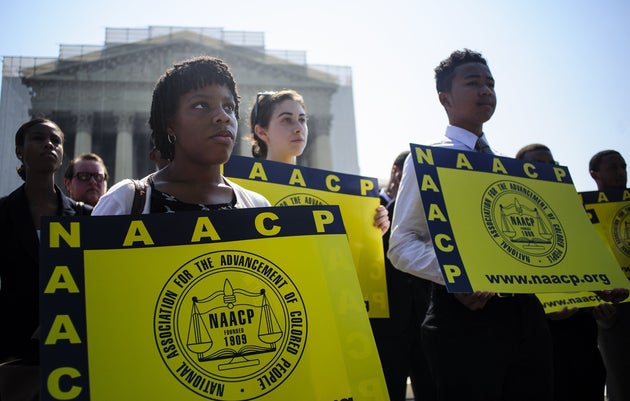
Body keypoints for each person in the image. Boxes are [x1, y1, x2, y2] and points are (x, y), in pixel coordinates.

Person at [388, 49, 553, 401]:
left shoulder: (508, 168)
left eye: (490, 83)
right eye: (473, 82)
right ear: (444, 98)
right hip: (463, 319)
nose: (486, 91)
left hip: (526, 317)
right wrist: (460, 275)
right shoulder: (429, 161)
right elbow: (402, 246)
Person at [93, 55, 269, 216]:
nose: (223, 116)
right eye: (201, 105)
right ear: (170, 124)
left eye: (229, 107)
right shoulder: (125, 201)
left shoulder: (258, 207)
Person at [516, 143, 625, 401]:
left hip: (582, 337)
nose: (546, 170)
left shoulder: (576, 210)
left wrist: (599, 302)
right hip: (538, 339)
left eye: (551, 164)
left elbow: (593, 263)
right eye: (537, 165)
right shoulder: (509, 212)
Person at [0, 118, 91, 398]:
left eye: (56, 141)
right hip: (16, 349)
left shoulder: (85, 217)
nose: (49, 144)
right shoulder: (2, 214)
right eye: (39, 138)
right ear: (19, 151)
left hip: (72, 346)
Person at [249, 89, 389, 234]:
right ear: (262, 132)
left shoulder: (330, 194)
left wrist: (373, 227)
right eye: (286, 120)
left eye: (302, 119)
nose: (298, 128)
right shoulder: (244, 191)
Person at [370, 150, 436, 401]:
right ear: (397, 173)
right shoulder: (368, 204)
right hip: (385, 322)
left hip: (425, 318)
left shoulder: (430, 210)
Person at [589, 149, 630, 401]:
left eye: (623, 166)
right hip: (614, 317)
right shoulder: (583, 212)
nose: (621, 172)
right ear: (595, 174)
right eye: (613, 167)